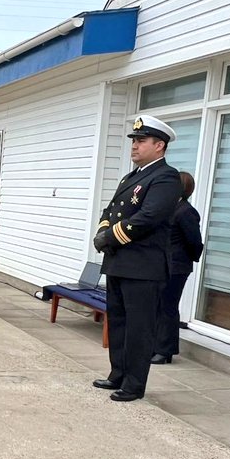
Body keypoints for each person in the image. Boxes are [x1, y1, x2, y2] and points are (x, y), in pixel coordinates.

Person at [92, 114, 183, 402]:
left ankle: (134, 384)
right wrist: (102, 230)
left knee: (139, 328)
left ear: (160, 146)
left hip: (144, 267)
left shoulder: (166, 177)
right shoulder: (131, 176)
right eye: (134, 141)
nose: (134, 146)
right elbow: (111, 210)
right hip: (119, 261)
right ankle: (117, 373)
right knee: (117, 322)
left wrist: (111, 236)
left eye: (141, 141)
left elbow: (148, 218)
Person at [152, 171, 204, 364]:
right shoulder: (169, 208)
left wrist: (186, 259)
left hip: (176, 267)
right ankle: (156, 345)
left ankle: (165, 351)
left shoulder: (186, 211)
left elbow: (194, 241)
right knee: (158, 306)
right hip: (161, 265)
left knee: (168, 307)